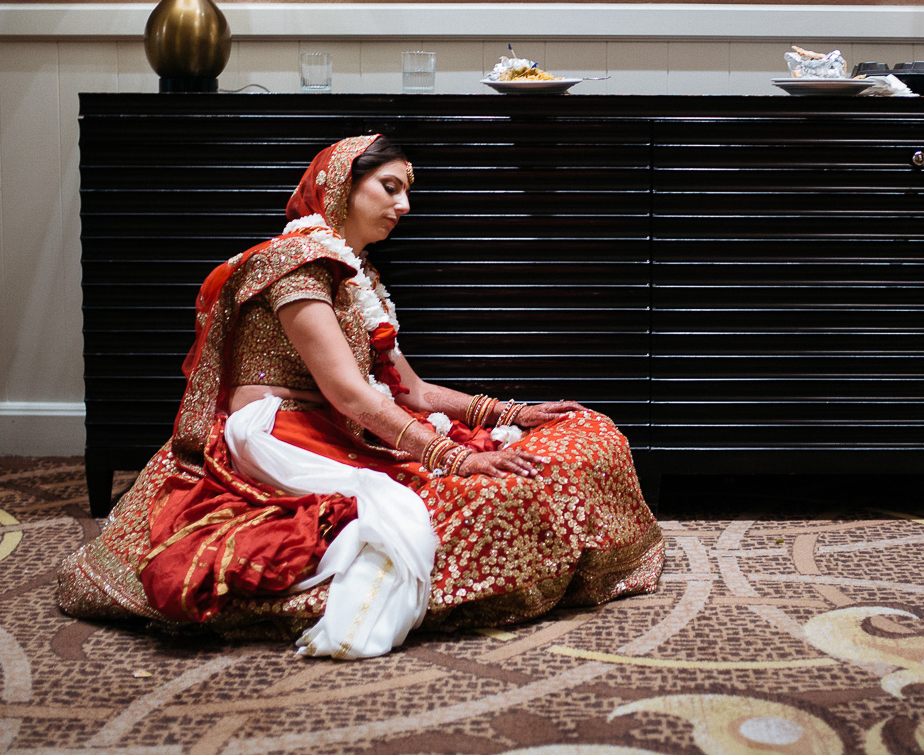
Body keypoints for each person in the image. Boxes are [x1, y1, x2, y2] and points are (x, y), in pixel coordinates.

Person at [57, 134, 664, 658]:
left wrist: (512, 414)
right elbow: (350, 394)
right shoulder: (296, 263)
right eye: (391, 187)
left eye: (408, 191)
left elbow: (414, 390)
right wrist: (455, 457)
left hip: (353, 424)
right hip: (286, 433)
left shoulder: (358, 273)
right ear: (342, 185)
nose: (405, 205)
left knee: (588, 433)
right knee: (479, 495)